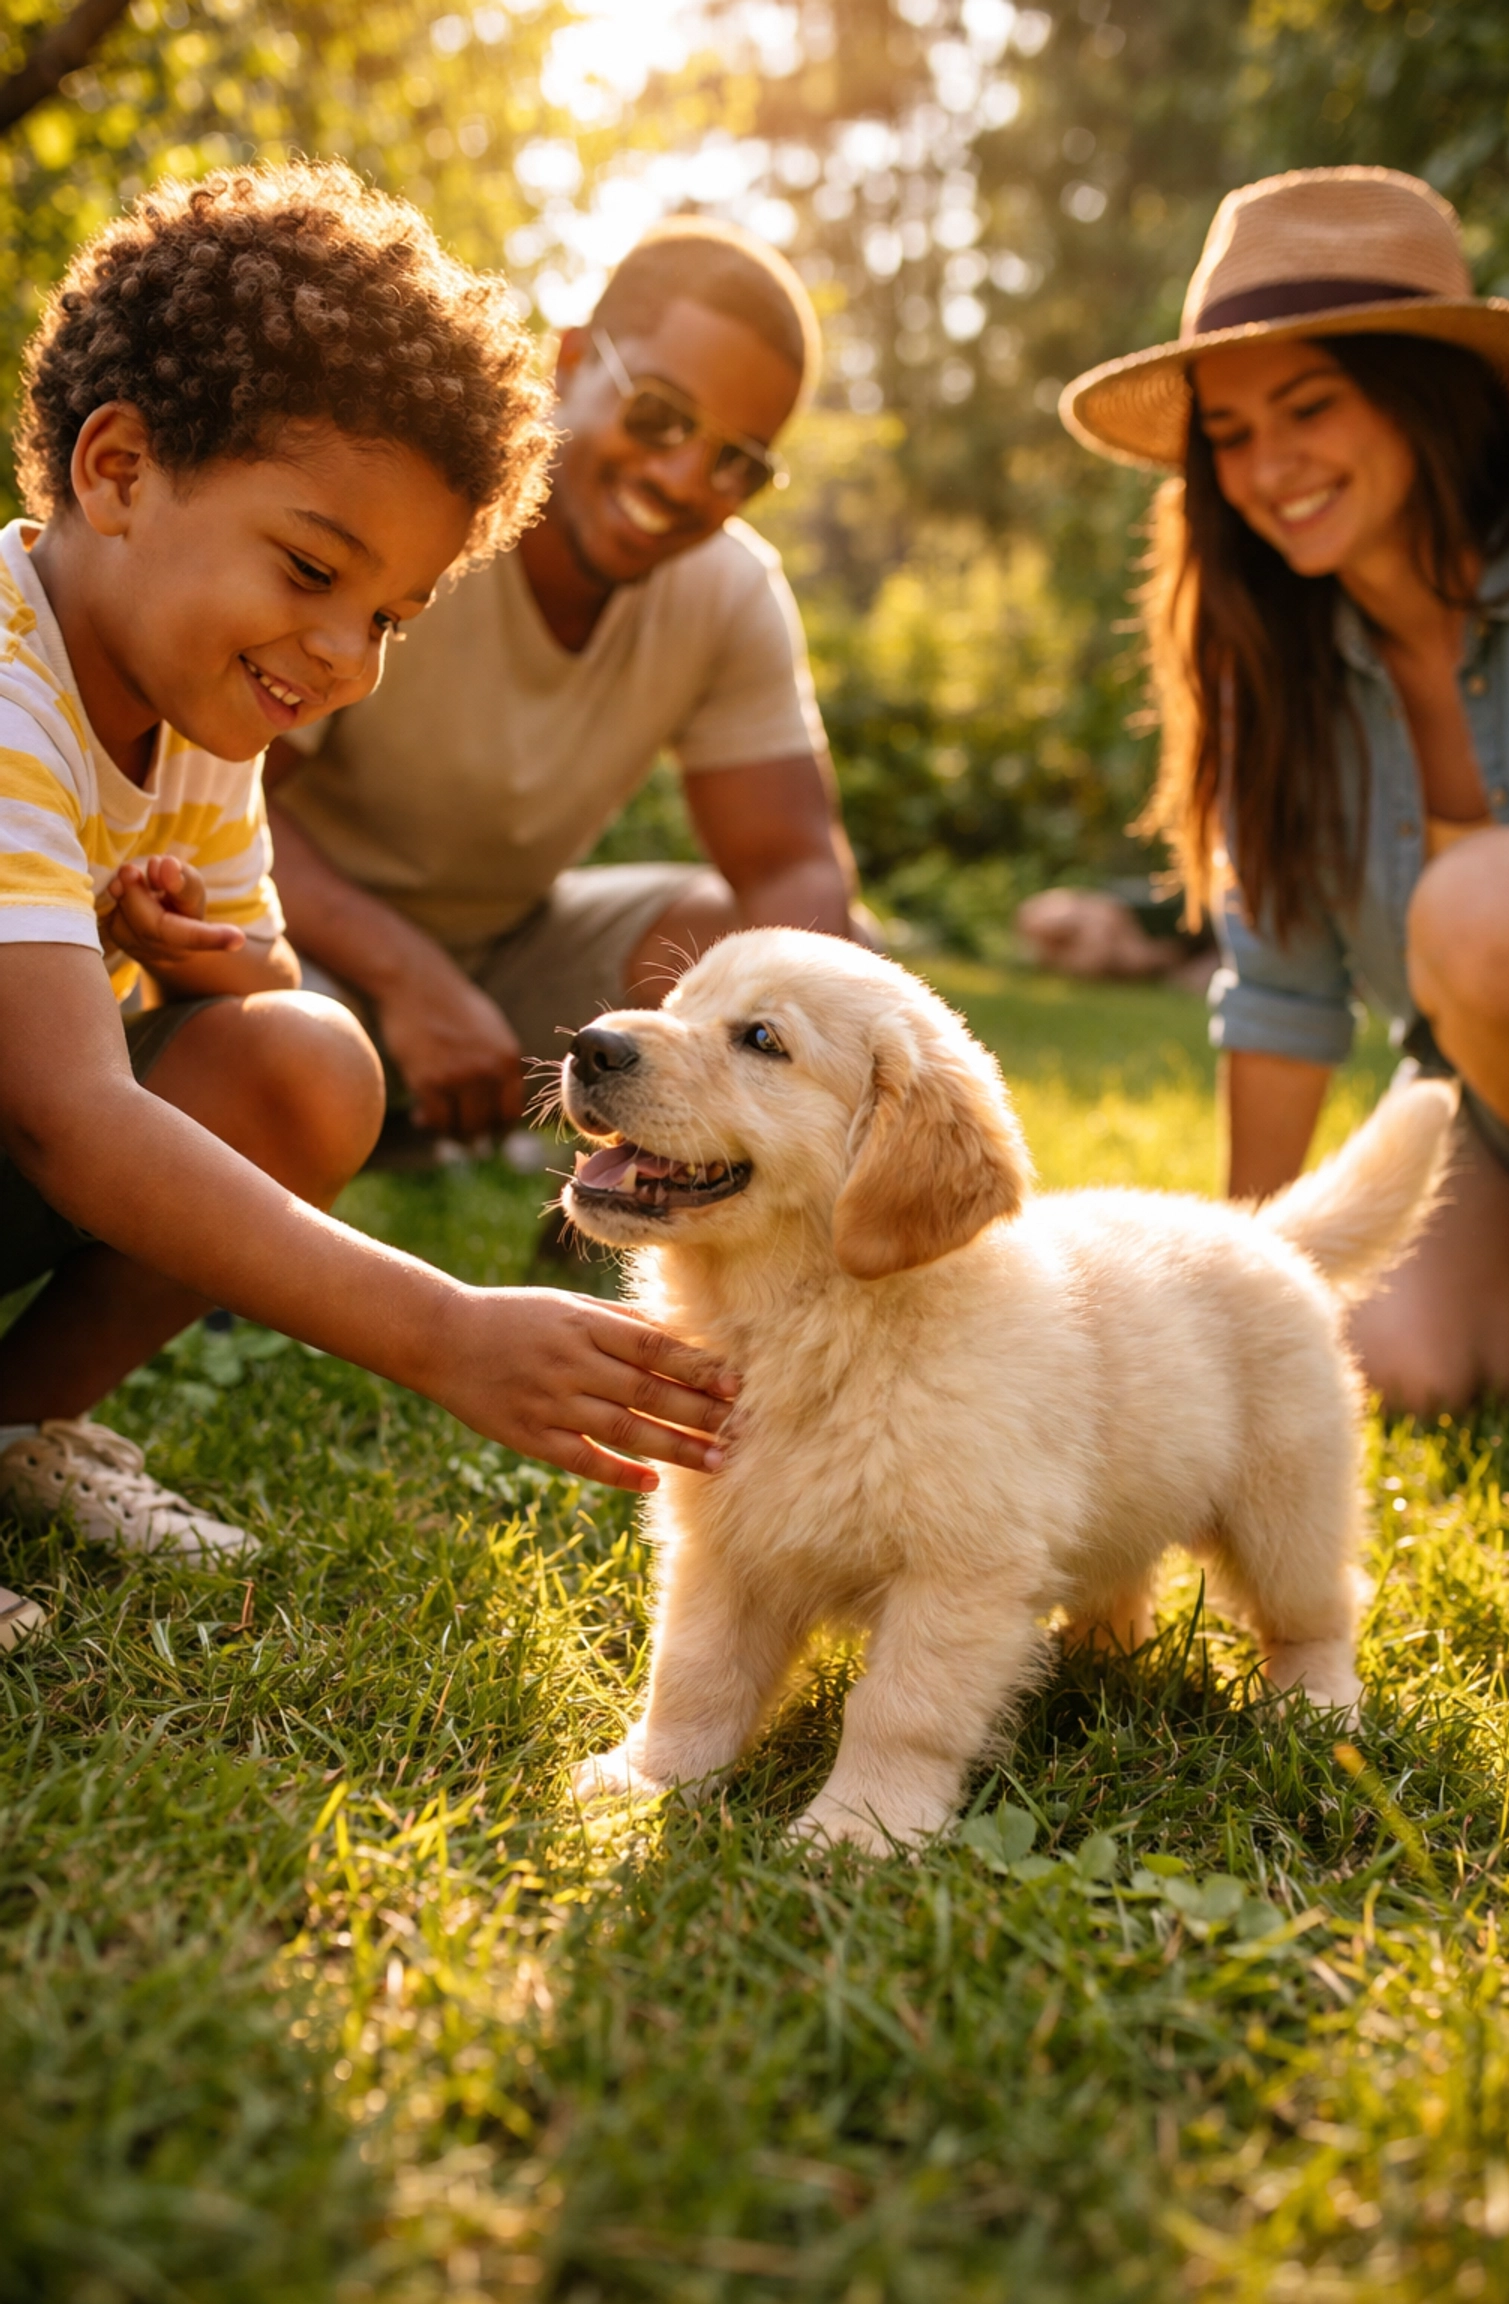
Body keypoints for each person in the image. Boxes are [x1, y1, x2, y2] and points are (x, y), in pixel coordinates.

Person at [0, 166, 737, 1654]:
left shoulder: (201, 712)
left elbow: (258, 978)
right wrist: (444, 1331)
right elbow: (66, 1118)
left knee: (308, 1060)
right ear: (119, 472)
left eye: (391, 615)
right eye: (314, 570)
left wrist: (184, 950)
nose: (348, 656)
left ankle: (16, 1425)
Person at [1060, 164, 1509, 1414]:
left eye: (1309, 408)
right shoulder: (1274, 673)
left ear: (1426, 400)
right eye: (1230, 434)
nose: (1268, 469)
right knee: (1396, 1359)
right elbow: (1279, 998)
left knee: (1483, 908)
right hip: (1498, 1116)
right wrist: (1222, 1310)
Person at [263, 217, 866, 1148]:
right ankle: (389, 1103)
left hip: (513, 954)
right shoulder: (425, 519)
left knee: (745, 935)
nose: (681, 478)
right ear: (572, 361)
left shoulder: (732, 589)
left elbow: (789, 864)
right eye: (660, 414)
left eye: (735, 463)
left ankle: (520, 1126)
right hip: (298, 932)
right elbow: (228, 801)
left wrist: (811, 1068)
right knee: (286, 1042)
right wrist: (410, 977)